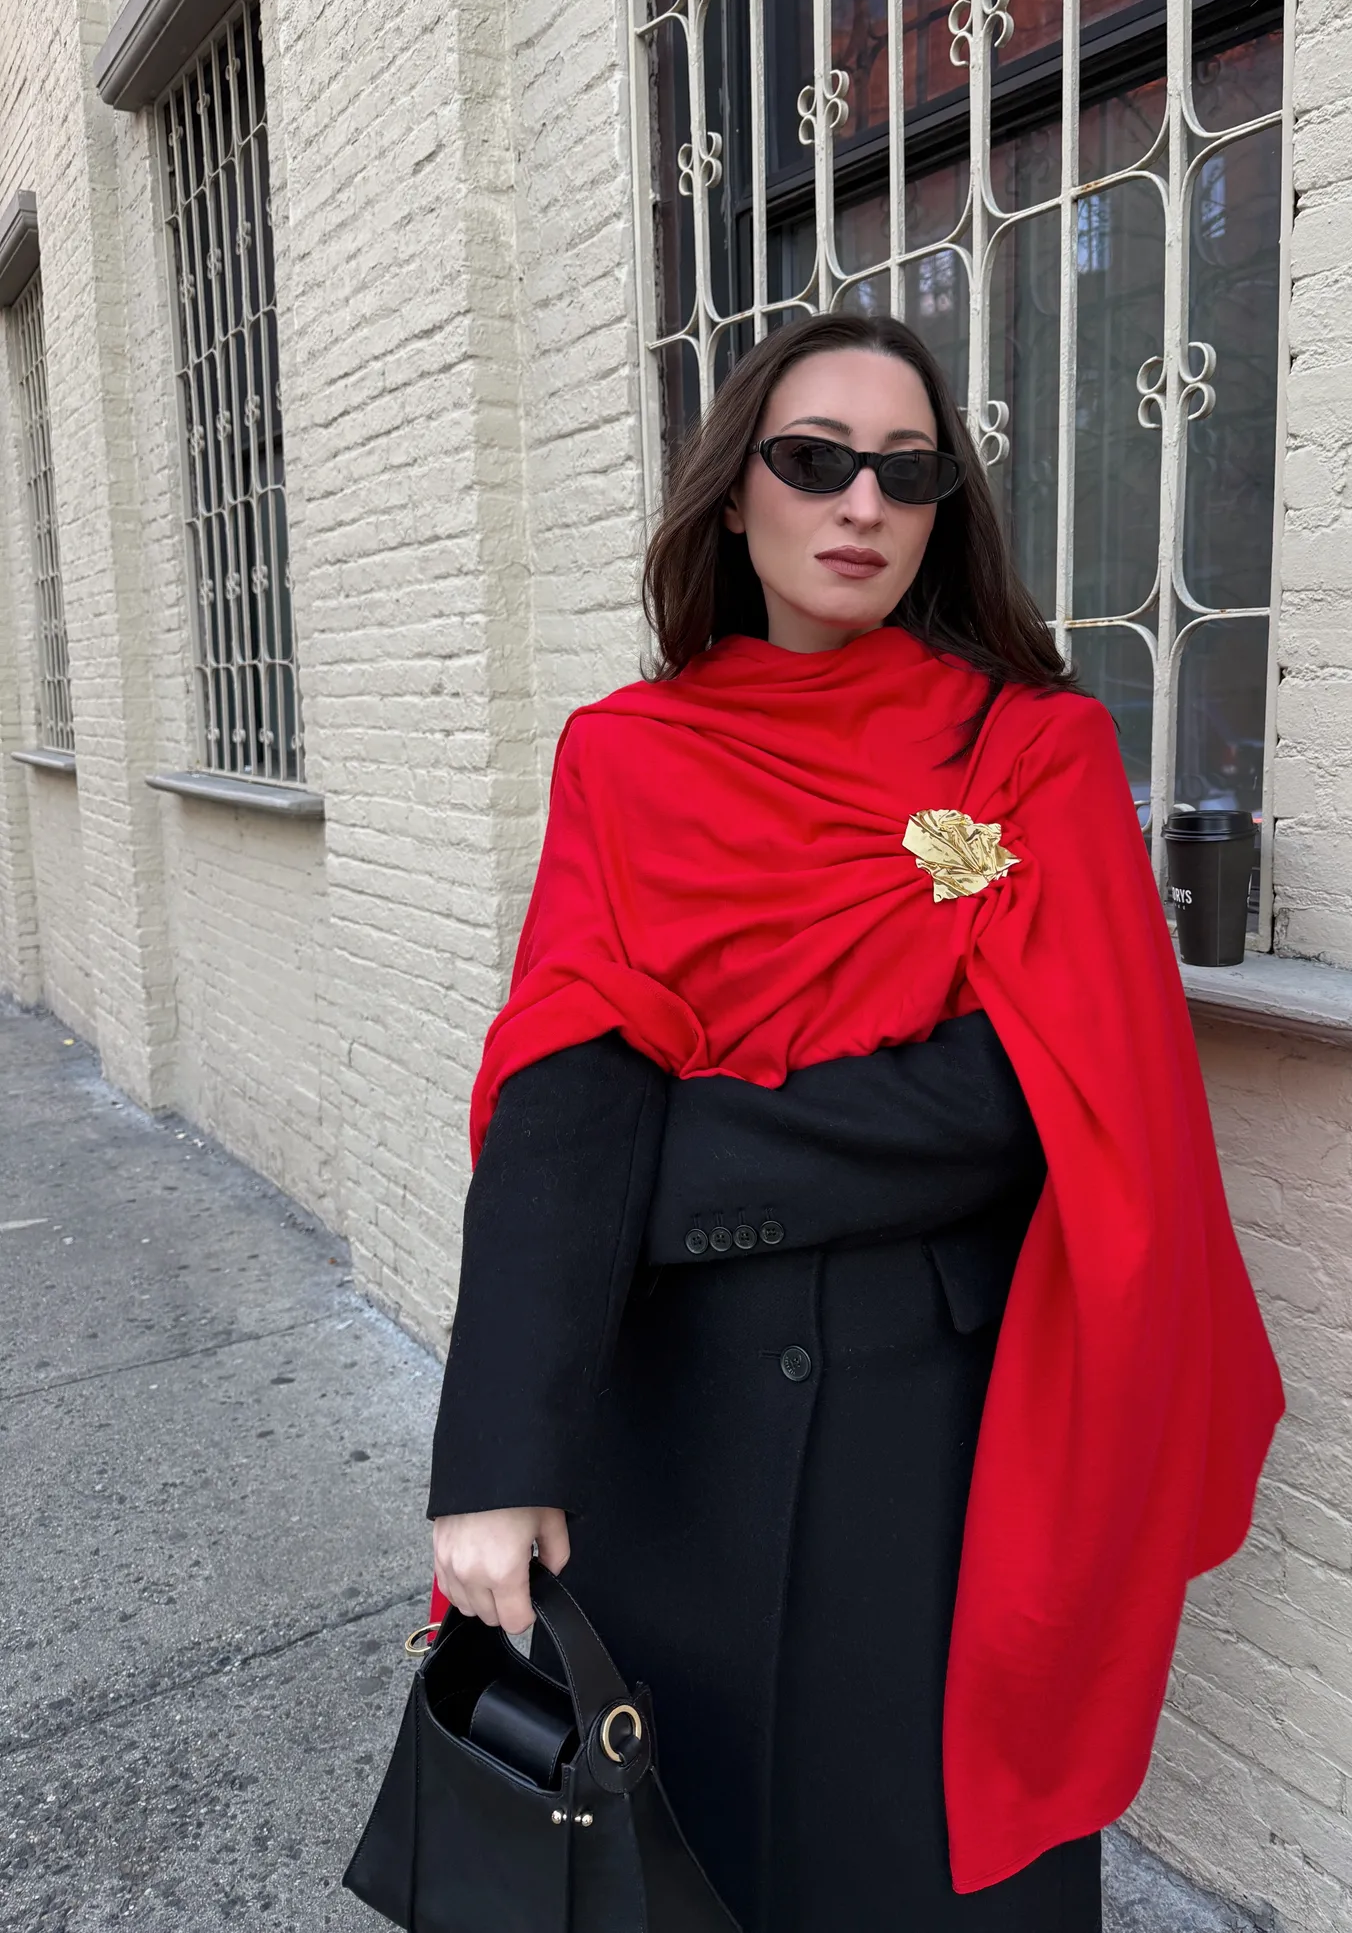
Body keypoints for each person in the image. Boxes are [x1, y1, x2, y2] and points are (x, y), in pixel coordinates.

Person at [426, 314, 1284, 1933]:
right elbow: (563, 1083)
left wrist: (666, 1160)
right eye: (814, 460)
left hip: (942, 1443)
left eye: (909, 471)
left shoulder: (1033, 750)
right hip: (667, 1431)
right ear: (733, 493)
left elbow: (1032, 1097)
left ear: (945, 509)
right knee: (673, 1861)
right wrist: (495, 1452)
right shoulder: (626, 756)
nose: (861, 504)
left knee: (935, 1872)